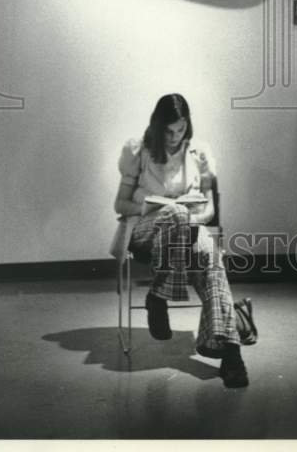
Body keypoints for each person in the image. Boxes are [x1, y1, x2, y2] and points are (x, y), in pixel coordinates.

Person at [114, 93, 249, 388]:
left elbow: (210, 209)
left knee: (213, 263)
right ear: (158, 126)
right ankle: (161, 295)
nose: (176, 137)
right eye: (169, 130)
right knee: (174, 212)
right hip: (146, 231)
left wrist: (190, 219)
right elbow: (120, 204)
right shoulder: (138, 151)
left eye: (182, 129)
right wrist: (154, 207)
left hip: (188, 227)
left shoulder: (199, 152)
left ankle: (231, 354)